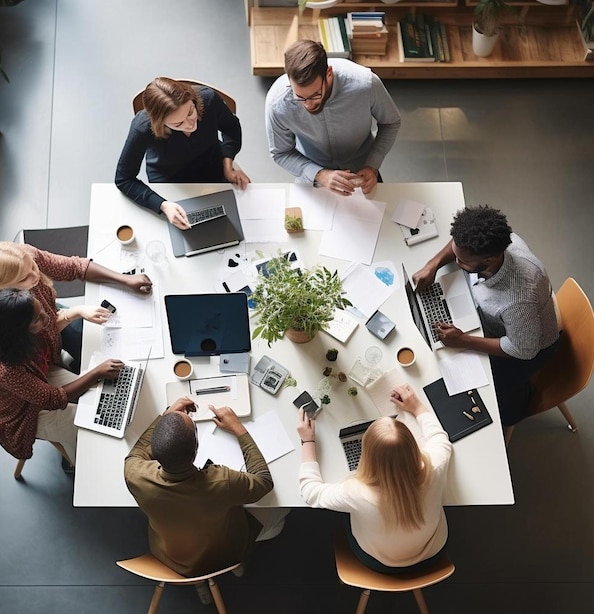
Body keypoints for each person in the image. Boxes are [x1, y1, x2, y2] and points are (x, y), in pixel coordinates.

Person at [413, 205, 560, 428]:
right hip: (506, 322)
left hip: (527, 347)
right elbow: (458, 248)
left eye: (462, 262)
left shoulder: (517, 300)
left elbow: (523, 350)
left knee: (486, 399)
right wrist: (432, 265)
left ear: (489, 260)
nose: (457, 261)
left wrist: (464, 341)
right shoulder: (498, 241)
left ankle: (514, 408)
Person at [125, 399, 287, 578]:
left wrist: (166, 417)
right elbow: (264, 481)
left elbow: (137, 451)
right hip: (222, 555)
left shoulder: (134, 473)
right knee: (282, 510)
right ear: (195, 450)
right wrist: (238, 429)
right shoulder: (220, 482)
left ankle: (201, 583)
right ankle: (236, 563)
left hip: (168, 558)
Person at [297, 384, 452, 571]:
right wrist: (417, 407)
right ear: (413, 448)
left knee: (345, 515)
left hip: (381, 560)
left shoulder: (355, 493)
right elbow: (439, 438)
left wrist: (308, 441)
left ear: (367, 455)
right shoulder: (436, 464)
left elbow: (309, 492)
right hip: (432, 548)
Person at [0, 289, 124, 467]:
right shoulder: (6, 370)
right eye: (37, 319)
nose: (46, 318)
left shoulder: (3, 334)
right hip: (21, 414)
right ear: (19, 332)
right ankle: (81, 465)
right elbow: (51, 399)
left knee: (92, 395)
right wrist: (96, 373)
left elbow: (51, 326)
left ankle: (74, 448)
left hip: (37, 376)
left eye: (41, 310)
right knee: (85, 423)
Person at [0, 241, 152, 374]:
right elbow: (46, 332)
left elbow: (74, 267)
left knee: (105, 346)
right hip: (38, 357)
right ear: (4, 288)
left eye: (33, 266)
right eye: (23, 279)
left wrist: (125, 279)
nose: (35, 276)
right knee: (101, 373)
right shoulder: (6, 315)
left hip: (54, 320)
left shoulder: (25, 257)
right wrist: (73, 313)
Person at [265, 40, 401, 196]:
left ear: (328, 74)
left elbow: (391, 122)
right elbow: (281, 153)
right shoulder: (277, 103)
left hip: (363, 173)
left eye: (315, 95)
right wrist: (319, 174)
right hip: (312, 177)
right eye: (299, 97)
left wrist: (372, 164)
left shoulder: (366, 85)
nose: (308, 105)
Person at [115, 77, 250, 229]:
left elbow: (231, 128)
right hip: (169, 178)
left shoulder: (208, 99)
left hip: (213, 164)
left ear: (193, 100)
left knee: (242, 219)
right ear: (159, 123)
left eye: (190, 112)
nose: (190, 124)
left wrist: (228, 167)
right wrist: (163, 205)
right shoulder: (142, 127)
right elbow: (124, 179)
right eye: (178, 124)